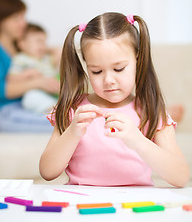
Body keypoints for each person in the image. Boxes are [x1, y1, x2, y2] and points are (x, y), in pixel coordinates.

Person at [39, 12, 189, 187]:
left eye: (119, 69)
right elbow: (47, 172)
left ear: (137, 61)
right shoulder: (74, 109)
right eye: (96, 71)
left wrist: (138, 140)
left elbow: (181, 177)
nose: (108, 80)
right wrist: (72, 132)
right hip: (82, 205)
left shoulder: (150, 110)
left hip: (134, 208)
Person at [0, 0, 58, 132]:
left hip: (29, 106)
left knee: (70, 120)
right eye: (16, 18)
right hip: (5, 112)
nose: (23, 23)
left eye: (23, 17)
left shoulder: (20, 47)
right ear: (0, 21)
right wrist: (39, 82)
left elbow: (51, 54)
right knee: (63, 126)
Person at [8, 23, 60, 113]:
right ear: (22, 44)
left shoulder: (46, 58)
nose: (43, 45)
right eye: (39, 41)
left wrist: (46, 48)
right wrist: (26, 74)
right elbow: (11, 79)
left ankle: (63, 106)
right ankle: (55, 110)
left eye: (44, 42)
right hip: (38, 93)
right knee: (30, 98)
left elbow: (60, 51)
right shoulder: (21, 59)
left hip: (55, 90)